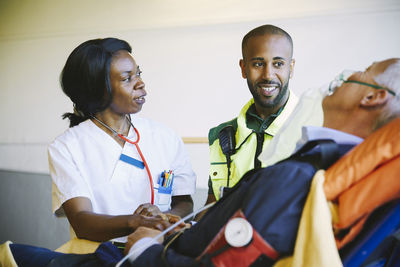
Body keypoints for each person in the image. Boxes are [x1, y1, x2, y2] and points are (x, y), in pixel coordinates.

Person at [3, 58, 400, 266]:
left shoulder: (296, 176)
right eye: (128, 77)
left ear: (372, 97)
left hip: (145, 254)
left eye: (358, 74)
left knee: (10, 252)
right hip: (137, 244)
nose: (141, 83)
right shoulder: (307, 169)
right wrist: (152, 226)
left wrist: (146, 242)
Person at [48, 37, 196, 244]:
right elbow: (82, 222)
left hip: (158, 253)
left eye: (138, 73)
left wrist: (164, 217)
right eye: (127, 78)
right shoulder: (67, 147)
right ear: (98, 89)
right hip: (97, 256)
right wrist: (135, 222)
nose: (140, 83)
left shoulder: (165, 137)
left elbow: (184, 202)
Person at [207, 24, 298, 204]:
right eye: (258, 64)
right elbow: (212, 207)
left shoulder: (315, 128)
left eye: (278, 64)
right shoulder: (221, 135)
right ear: (243, 68)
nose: (268, 74)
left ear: (291, 67)